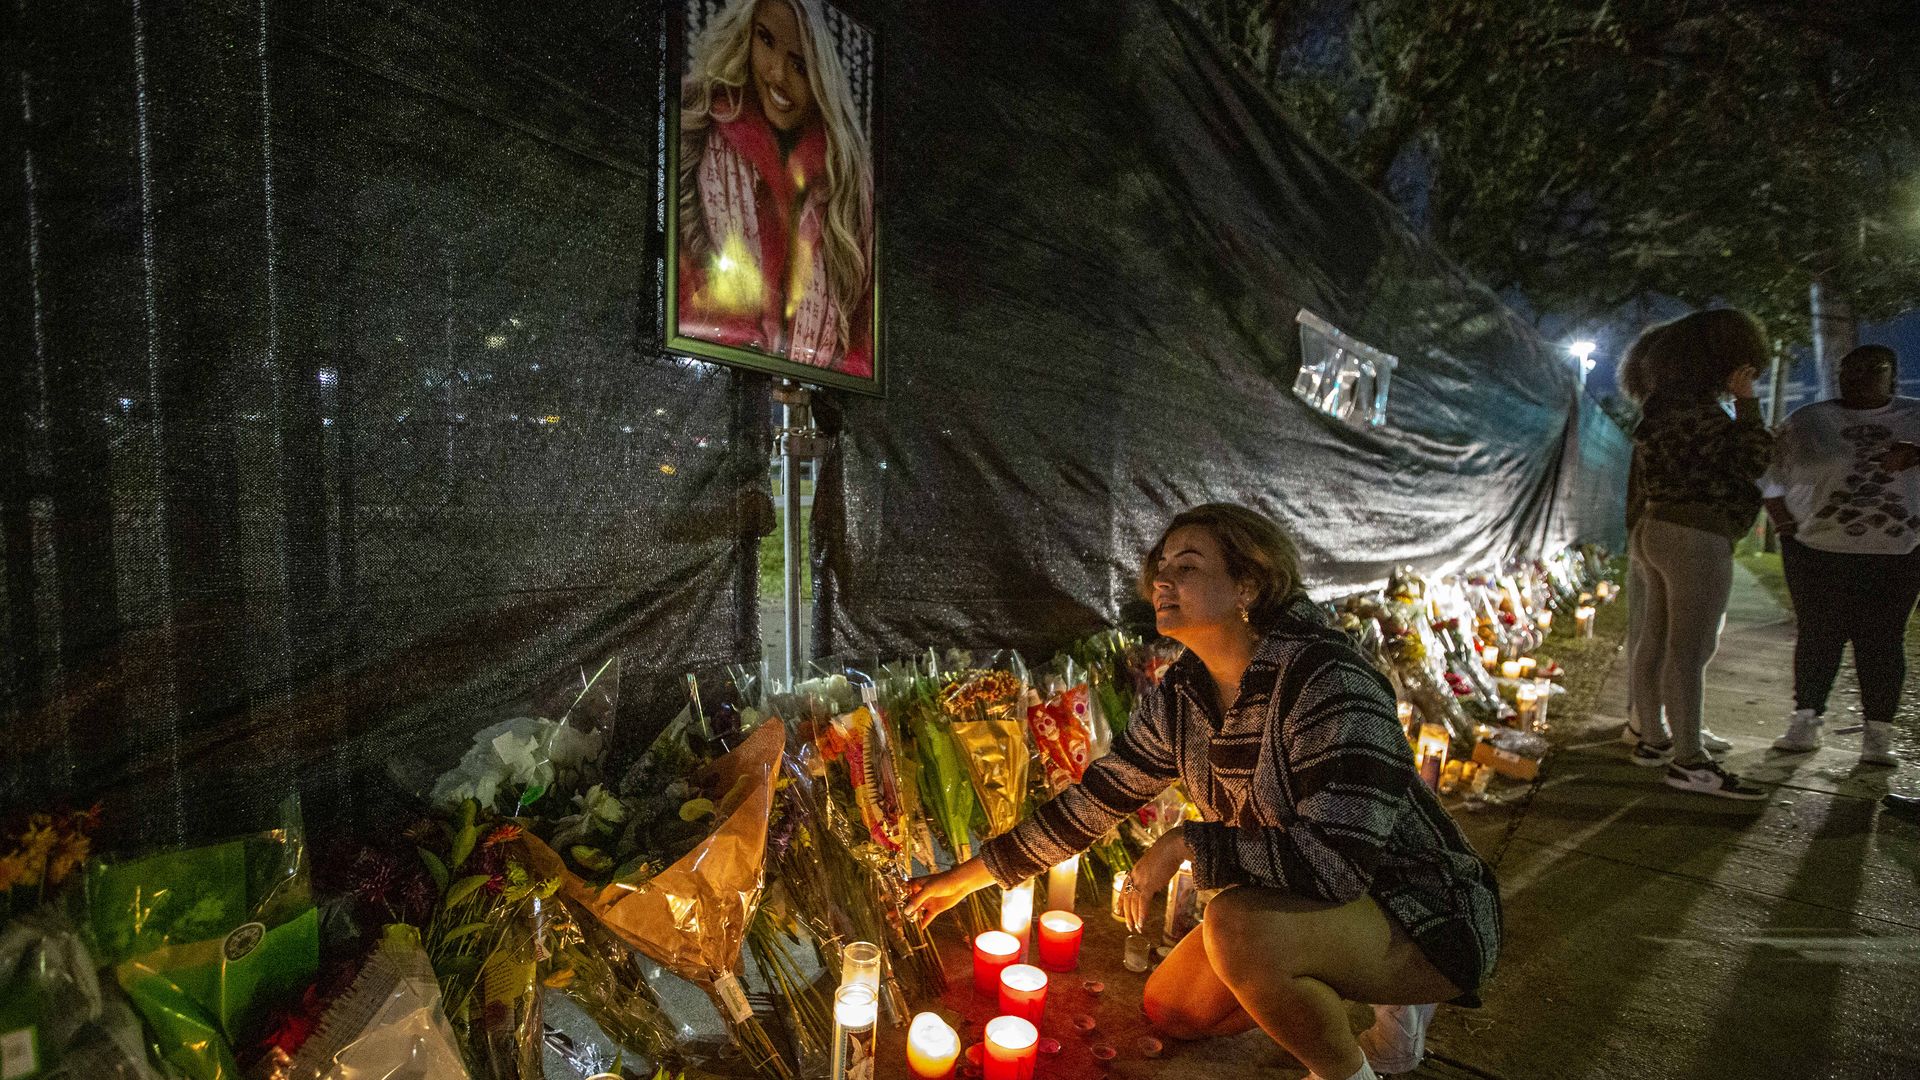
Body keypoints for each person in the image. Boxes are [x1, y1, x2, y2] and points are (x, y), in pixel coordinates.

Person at [905, 505, 1501, 1080]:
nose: (1162, 579)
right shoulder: (1183, 695)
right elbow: (1095, 801)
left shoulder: (1327, 682)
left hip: (1416, 907)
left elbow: (1338, 865)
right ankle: (1336, 979)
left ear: (1248, 585)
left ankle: (1353, 1062)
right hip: (1307, 904)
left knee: (1236, 927)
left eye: (1187, 566)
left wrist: (1187, 841)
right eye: (1160, 566)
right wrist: (962, 879)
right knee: (1174, 1010)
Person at [1619, 308, 1774, 799]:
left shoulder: (1660, 410)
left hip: (1660, 527)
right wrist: (1749, 404)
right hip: (1696, 536)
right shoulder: (1702, 412)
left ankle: (1654, 738)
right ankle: (1690, 761)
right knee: (1690, 651)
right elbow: (1753, 459)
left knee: (1657, 641)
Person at [677, 0, 873, 375]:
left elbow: (861, 342)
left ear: (820, 81)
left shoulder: (848, 181)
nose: (777, 74)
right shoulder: (698, 123)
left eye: (800, 66)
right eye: (765, 40)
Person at [1763, 344, 1920, 767]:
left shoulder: (1915, 416)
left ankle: (1878, 733)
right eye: (1850, 369)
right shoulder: (1809, 421)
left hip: (1897, 551)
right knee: (1819, 635)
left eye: (1875, 369)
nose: (1860, 376)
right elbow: (1771, 478)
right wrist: (1784, 526)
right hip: (1817, 548)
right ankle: (1805, 720)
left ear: (1894, 376)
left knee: (1883, 640)